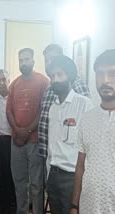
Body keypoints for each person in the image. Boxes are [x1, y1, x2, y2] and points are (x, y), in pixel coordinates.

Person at [45, 55, 93, 214]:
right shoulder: (53, 108)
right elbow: (52, 145)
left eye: (60, 74)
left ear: (70, 76)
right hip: (53, 175)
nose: (55, 80)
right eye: (52, 76)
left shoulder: (84, 104)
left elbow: (89, 148)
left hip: (72, 178)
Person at [71, 50, 115, 214]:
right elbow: (80, 166)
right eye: (100, 74)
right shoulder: (87, 118)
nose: (105, 80)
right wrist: (74, 205)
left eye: (112, 73)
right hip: (88, 205)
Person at [6, 48, 49, 214]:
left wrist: (28, 130)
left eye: (26, 59)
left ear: (33, 61)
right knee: (19, 182)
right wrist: (18, 130)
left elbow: (43, 109)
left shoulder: (43, 81)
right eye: (21, 60)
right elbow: (8, 111)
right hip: (16, 141)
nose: (23, 63)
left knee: (37, 184)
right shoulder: (14, 84)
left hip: (35, 140)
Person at [38, 44, 90, 158]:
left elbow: (85, 130)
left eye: (53, 59)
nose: (49, 63)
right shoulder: (51, 86)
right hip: (49, 154)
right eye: (46, 60)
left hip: (69, 161)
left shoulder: (77, 86)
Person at [0, 69, 16, 214]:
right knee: (0, 175)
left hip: (13, 141)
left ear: (9, 80)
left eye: (3, 79)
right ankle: (2, 205)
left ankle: (13, 206)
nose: (1, 82)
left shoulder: (14, 97)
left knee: (13, 175)